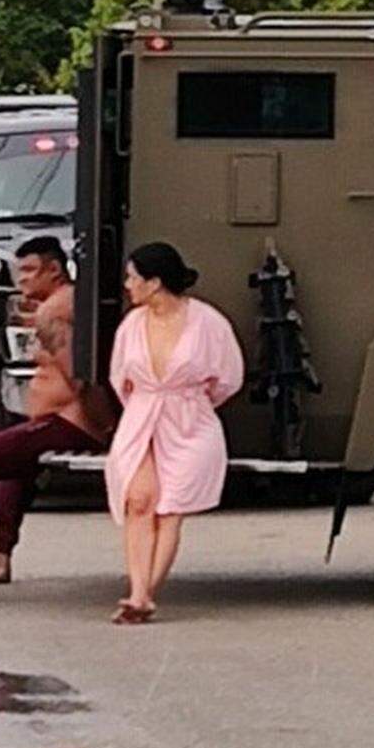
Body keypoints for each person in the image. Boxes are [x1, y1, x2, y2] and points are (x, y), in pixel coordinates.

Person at [0, 237, 113, 586]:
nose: (21, 279)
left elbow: (79, 377)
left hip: (68, 421)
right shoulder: (63, 304)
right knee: (13, 463)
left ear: (54, 270)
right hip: (50, 418)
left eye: (29, 270)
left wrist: (103, 429)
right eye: (18, 271)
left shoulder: (54, 310)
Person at [106, 242, 244, 624]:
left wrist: (192, 402)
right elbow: (121, 379)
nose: (127, 285)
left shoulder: (208, 322)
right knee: (139, 499)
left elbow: (228, 378)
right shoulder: (131, 326)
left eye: (133, 278)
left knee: (170, 509)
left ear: (154, 282)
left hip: (189, 419)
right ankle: (138, 592)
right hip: (143, 415)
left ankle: (143, 594)